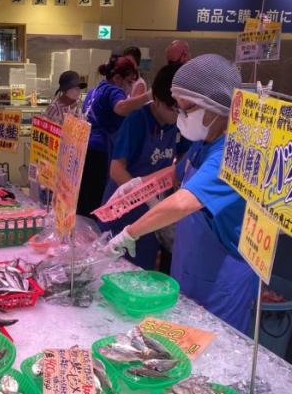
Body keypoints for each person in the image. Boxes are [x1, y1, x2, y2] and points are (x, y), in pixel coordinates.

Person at [106, 54, 259, 333]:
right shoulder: (205, 141)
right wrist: (136, 186)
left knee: (213, 348)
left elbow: (183, 202)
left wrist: (129, 232)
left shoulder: (231, 152)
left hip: (221, 277)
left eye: (186, 108)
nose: (180, 116)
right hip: (190, 264)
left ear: (215, 107)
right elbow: (174, 174)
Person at [100, 63, 191, 270]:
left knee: (143, 271)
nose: (177, 115)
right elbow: (116, 170)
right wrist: (144, 194)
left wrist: (177, 182)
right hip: (124, 207)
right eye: (172, 109)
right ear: (156, 99)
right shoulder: (137, 120)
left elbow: (185, 157)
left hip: (154, 210)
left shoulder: (180, 125)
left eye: (182, 110)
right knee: (115, 267)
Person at [78, 55, 152, 216]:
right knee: (95, 199)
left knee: (84, 198)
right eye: (129, 82)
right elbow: (121, 108)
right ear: (118, 78)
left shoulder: (94, 91)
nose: (130, 87)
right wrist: (148, 96)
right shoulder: (113, 90)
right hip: (100, 151)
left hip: (85, 148)